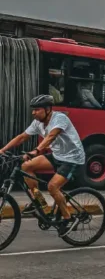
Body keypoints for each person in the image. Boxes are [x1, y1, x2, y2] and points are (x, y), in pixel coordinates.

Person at [0, 94, 85, 234]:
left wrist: (36, 151)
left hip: (73, 159)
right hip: (57, 155)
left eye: (37, 109)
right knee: (26, 166)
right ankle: (38, 201)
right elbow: (22, 137)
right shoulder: (37, 123)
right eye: (33, 110)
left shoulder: (60, 118)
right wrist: (2, 150)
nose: (33, 112)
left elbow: (51, 136)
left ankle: (68, 219)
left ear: (47, 109)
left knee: (52, 187)